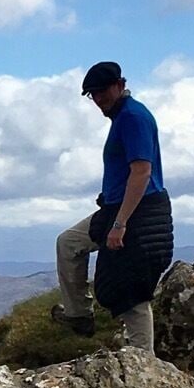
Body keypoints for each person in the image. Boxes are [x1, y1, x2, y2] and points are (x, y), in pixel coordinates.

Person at [56, 60, 172, 353]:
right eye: (92, 94)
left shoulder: (133, 117)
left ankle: (145, 363)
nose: (98, 99)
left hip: (138, 214)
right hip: (117, 208)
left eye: (102, 91)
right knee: (69, 242)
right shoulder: (122, 118)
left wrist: (120, 224)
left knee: (132, 291)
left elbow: (142, 172)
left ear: (120, 85)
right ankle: (79, 315)